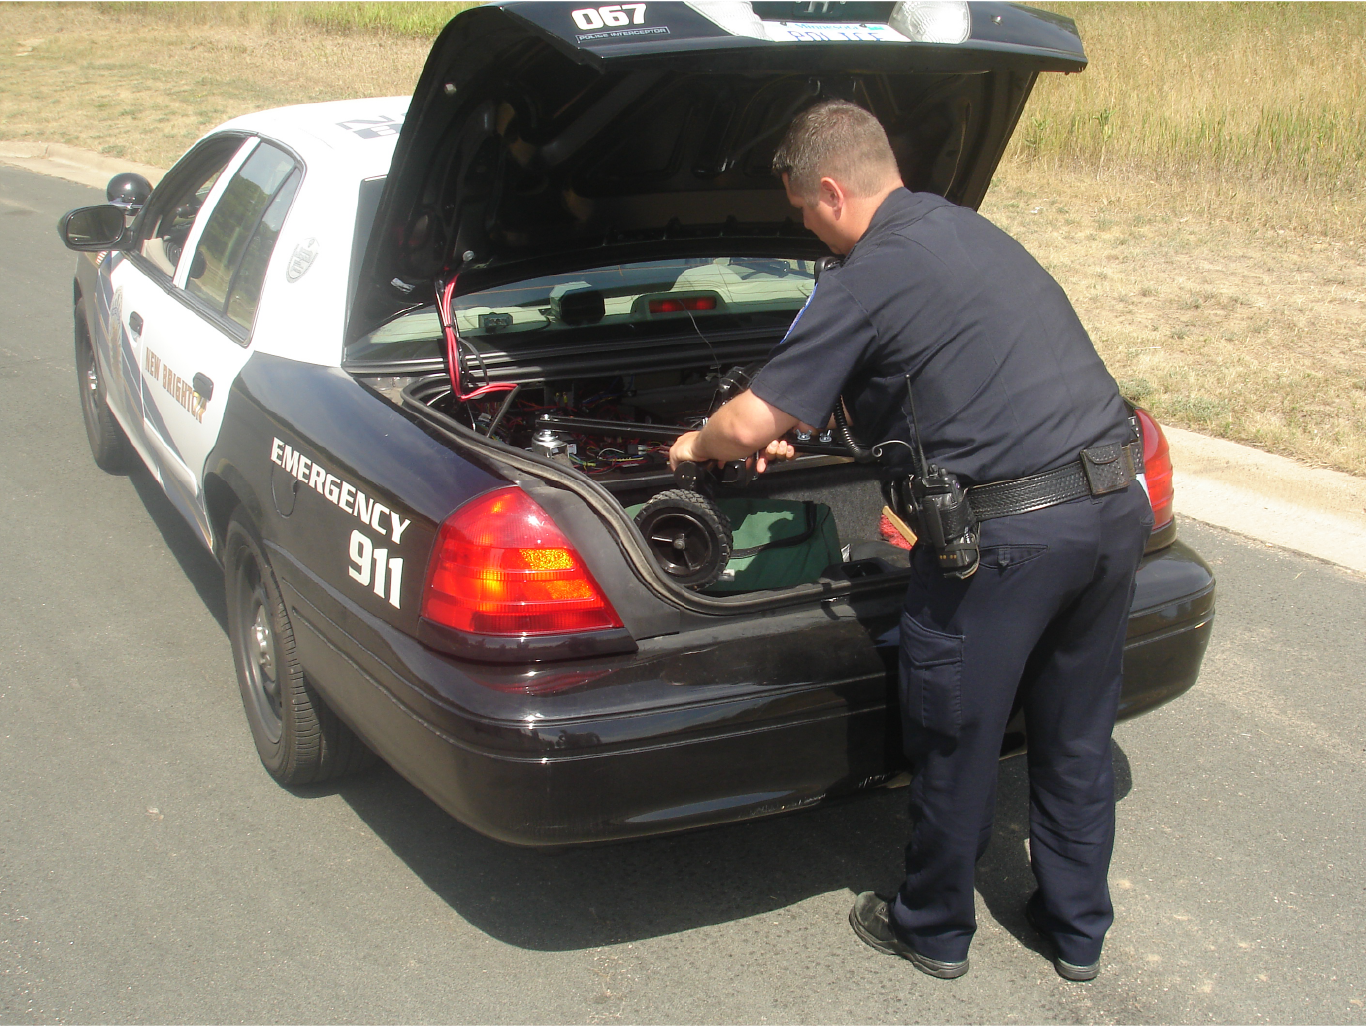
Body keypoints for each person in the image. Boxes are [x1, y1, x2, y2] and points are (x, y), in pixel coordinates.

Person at [668, 99, 1153, 982]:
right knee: (1076, 732)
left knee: (955, 733)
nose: (809, 231)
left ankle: (931, 926)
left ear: (829, 189)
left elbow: (744, 427)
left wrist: (696, 443)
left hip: (1009, 542)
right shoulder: (969, 232)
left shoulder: (866, 276)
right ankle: (1078, 931)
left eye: (805, 214)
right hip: (1116, 505)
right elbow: (945, 369)